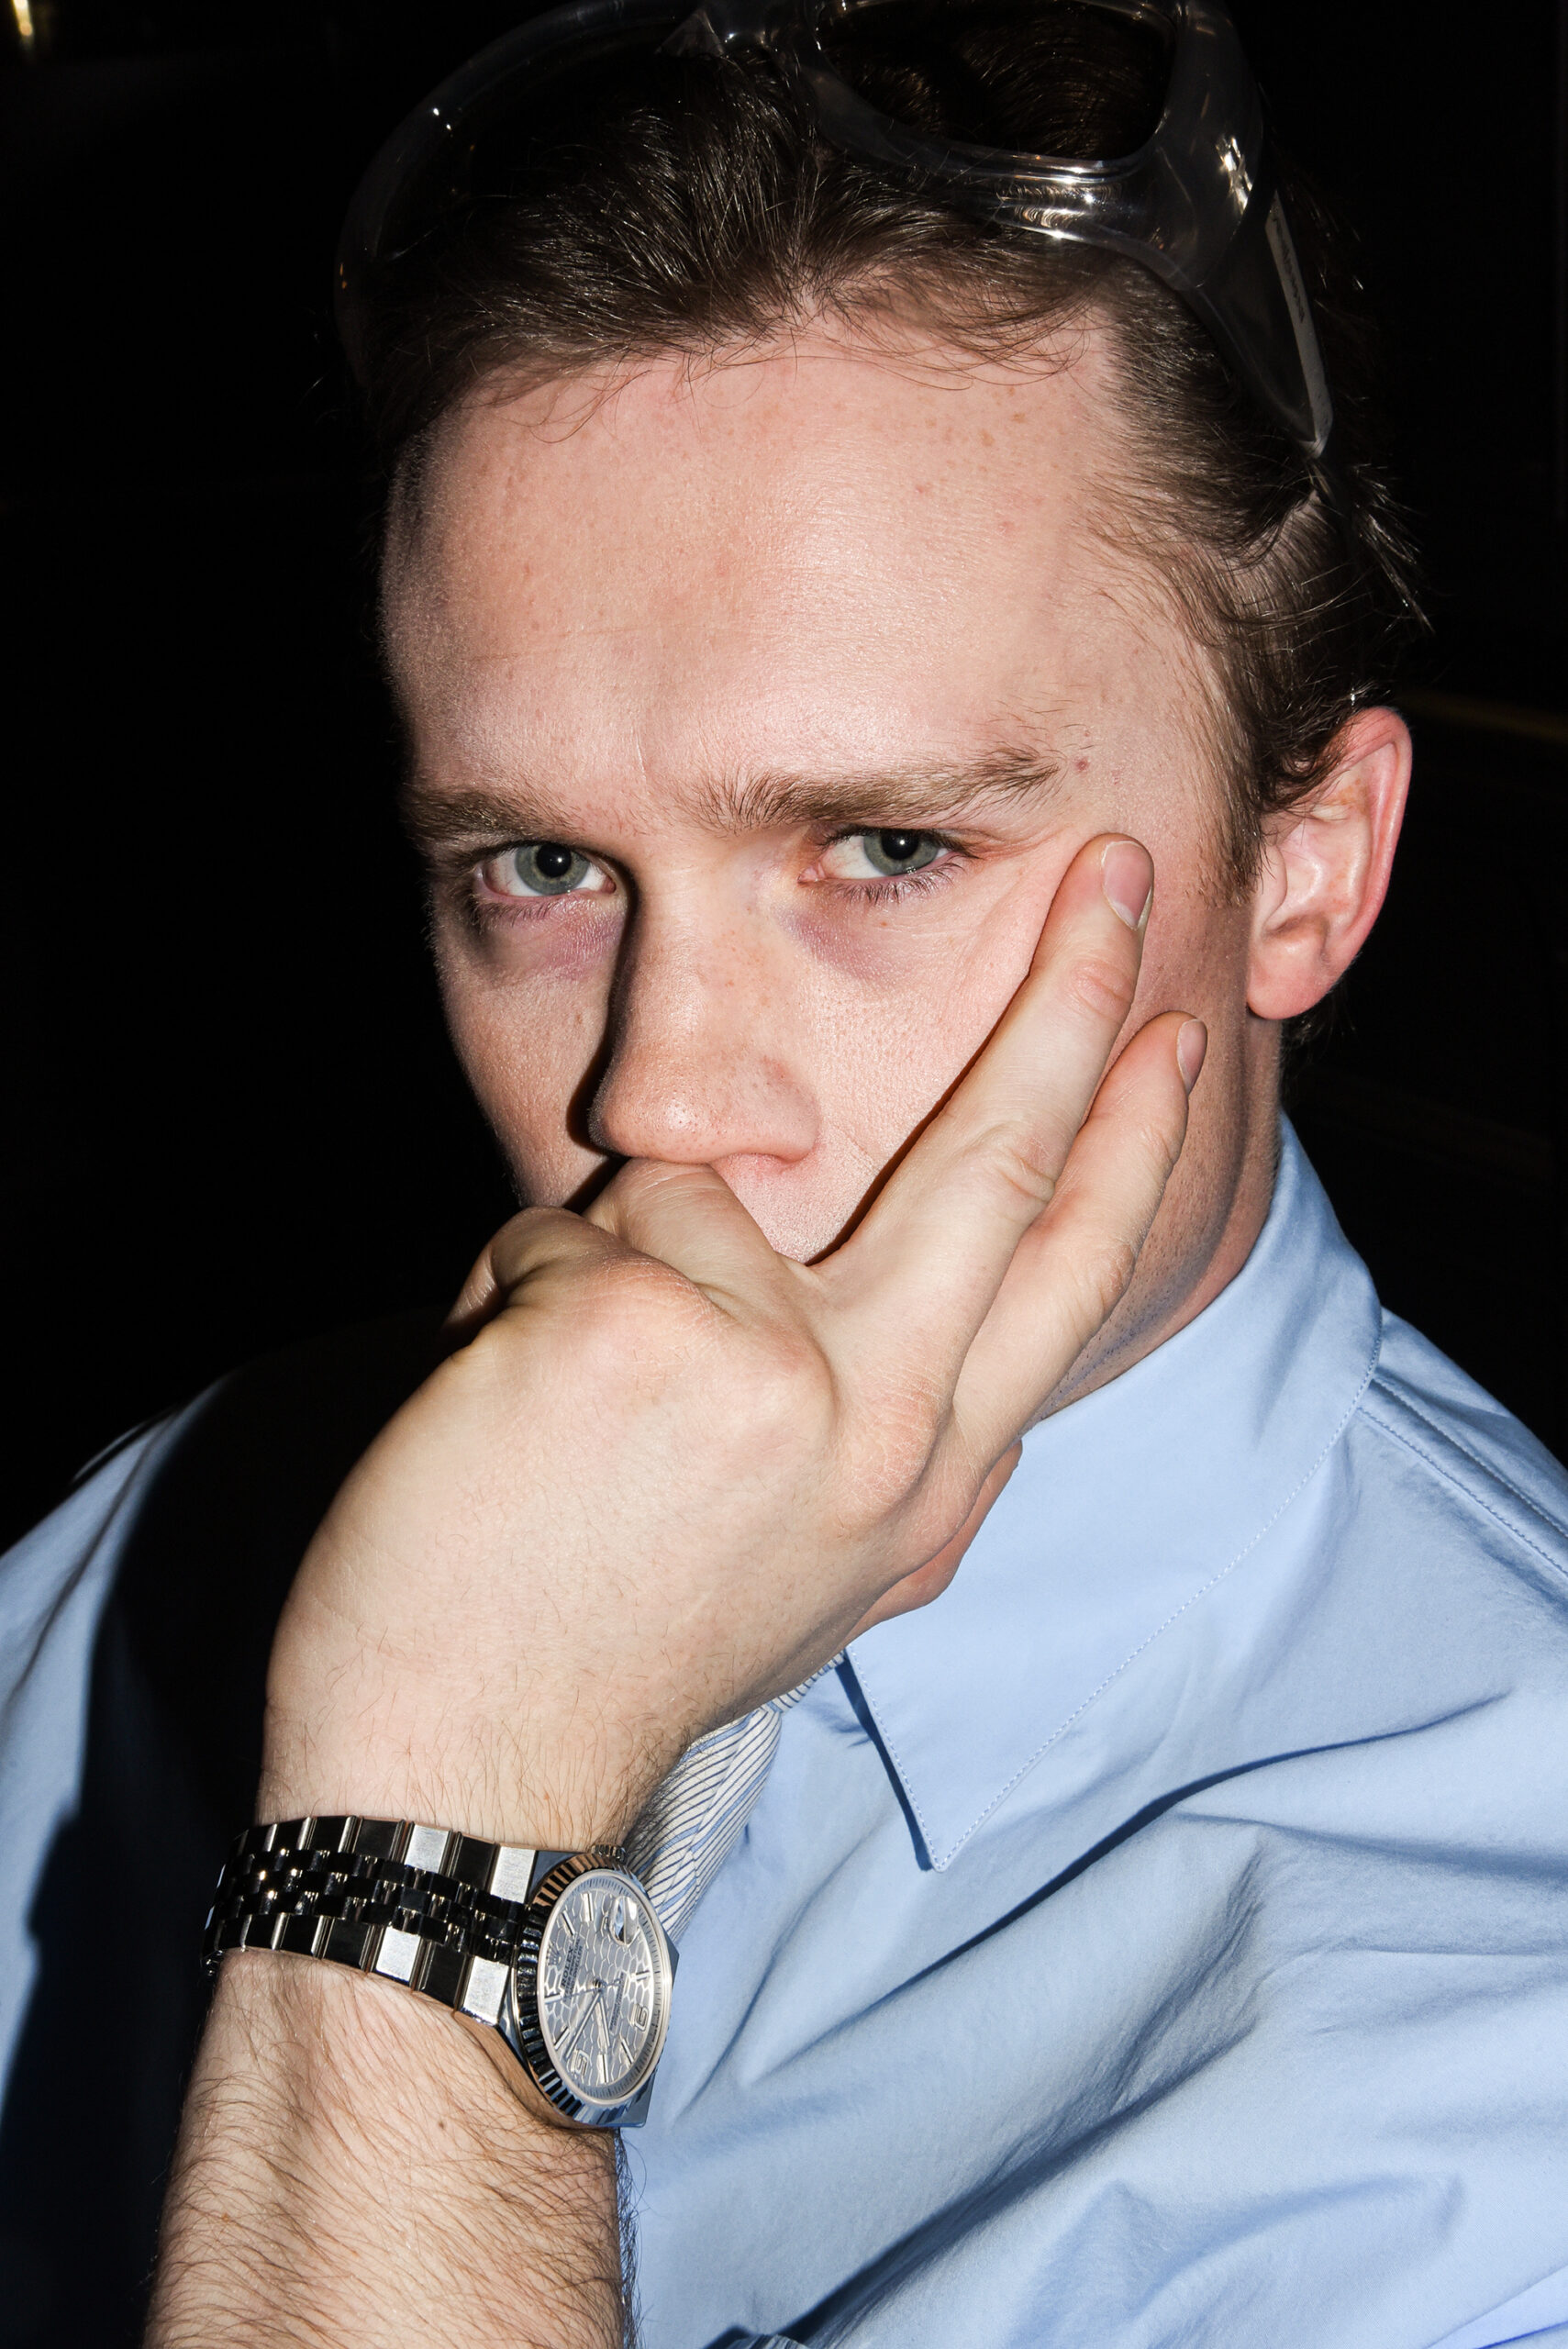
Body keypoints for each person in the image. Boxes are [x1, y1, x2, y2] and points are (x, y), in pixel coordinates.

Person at [4, 3, 1568, 2343]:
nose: (656, 1103)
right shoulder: (192, 1537)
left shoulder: (1502, 2067)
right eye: (543, 863)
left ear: (1308, 868)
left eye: (884, 845)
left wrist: (436, 1817)